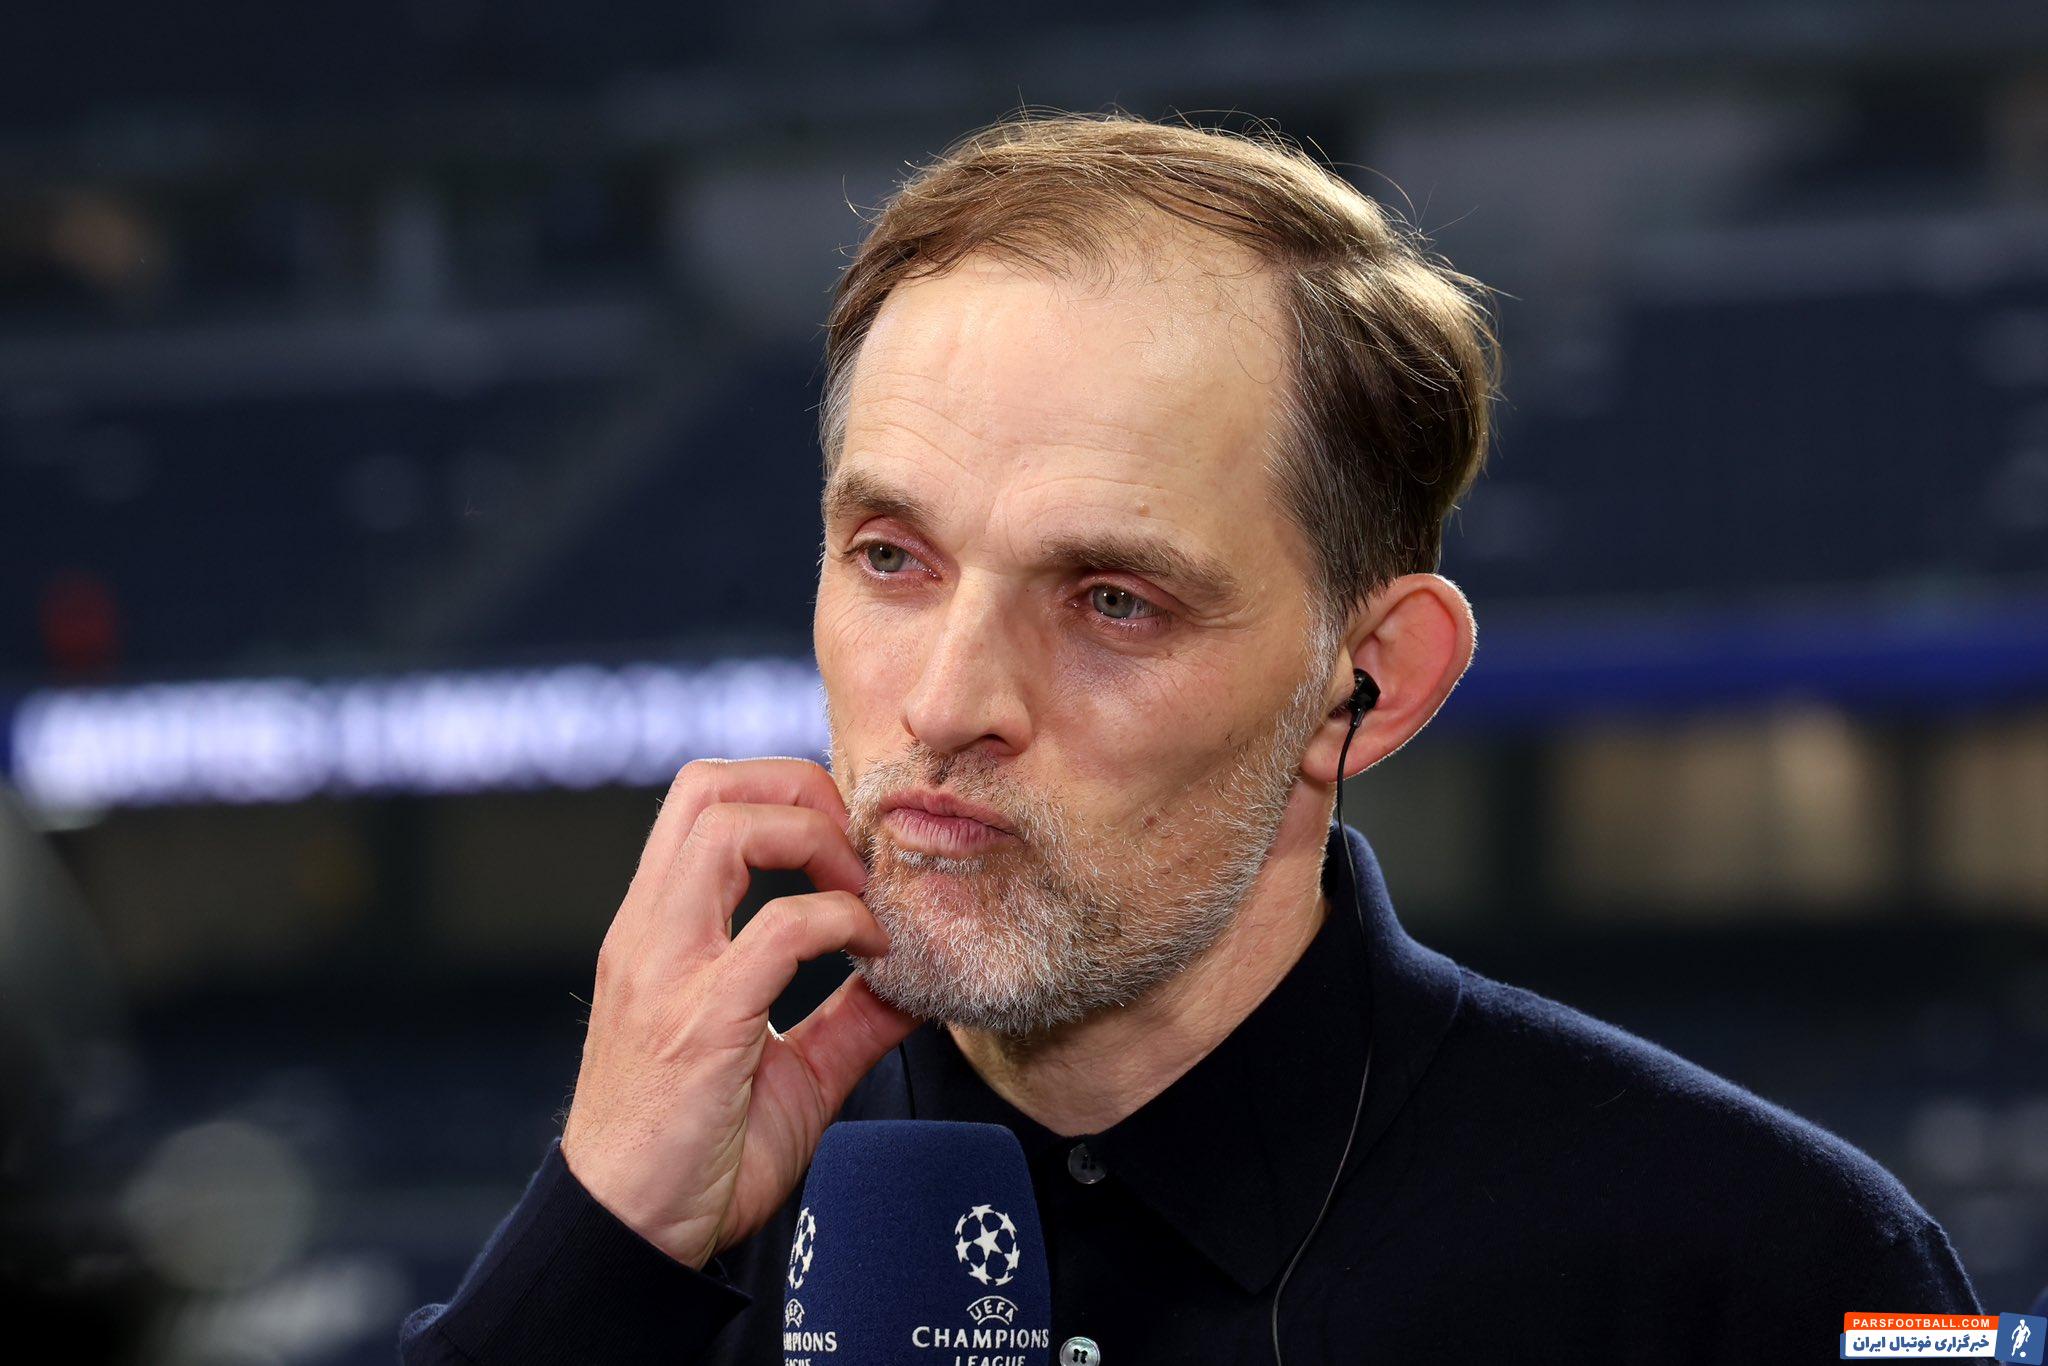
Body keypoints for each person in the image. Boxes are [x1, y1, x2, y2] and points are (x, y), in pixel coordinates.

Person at [399, 111, 1981, 1365]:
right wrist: (596, 1240)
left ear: (1372, 679)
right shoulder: (653, 1249)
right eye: (891, 557)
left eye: (1112, 599)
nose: (945, 700)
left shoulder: (1792, 1267)